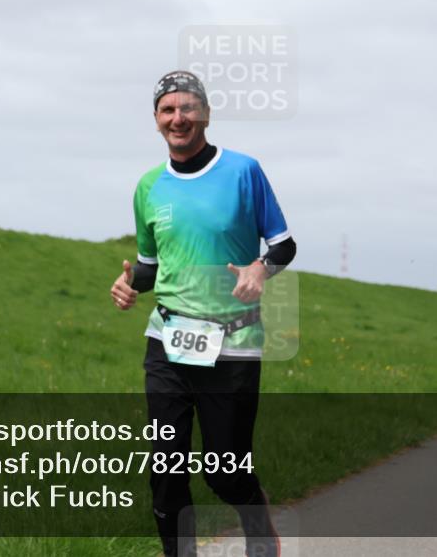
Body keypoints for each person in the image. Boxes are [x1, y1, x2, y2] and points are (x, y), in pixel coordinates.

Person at [110, 70, 294, 557]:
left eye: (187, 108)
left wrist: (259, 268)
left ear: (206, 114)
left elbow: (283, 244)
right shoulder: (149, 186)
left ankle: (256, 517)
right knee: (166, 469)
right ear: (155, 121)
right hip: (167, 342)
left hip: (231, 344)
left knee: (224, 472)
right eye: (168, 110)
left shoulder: (242, 171)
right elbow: (149, 265)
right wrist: (129, 283)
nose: (178, 118)